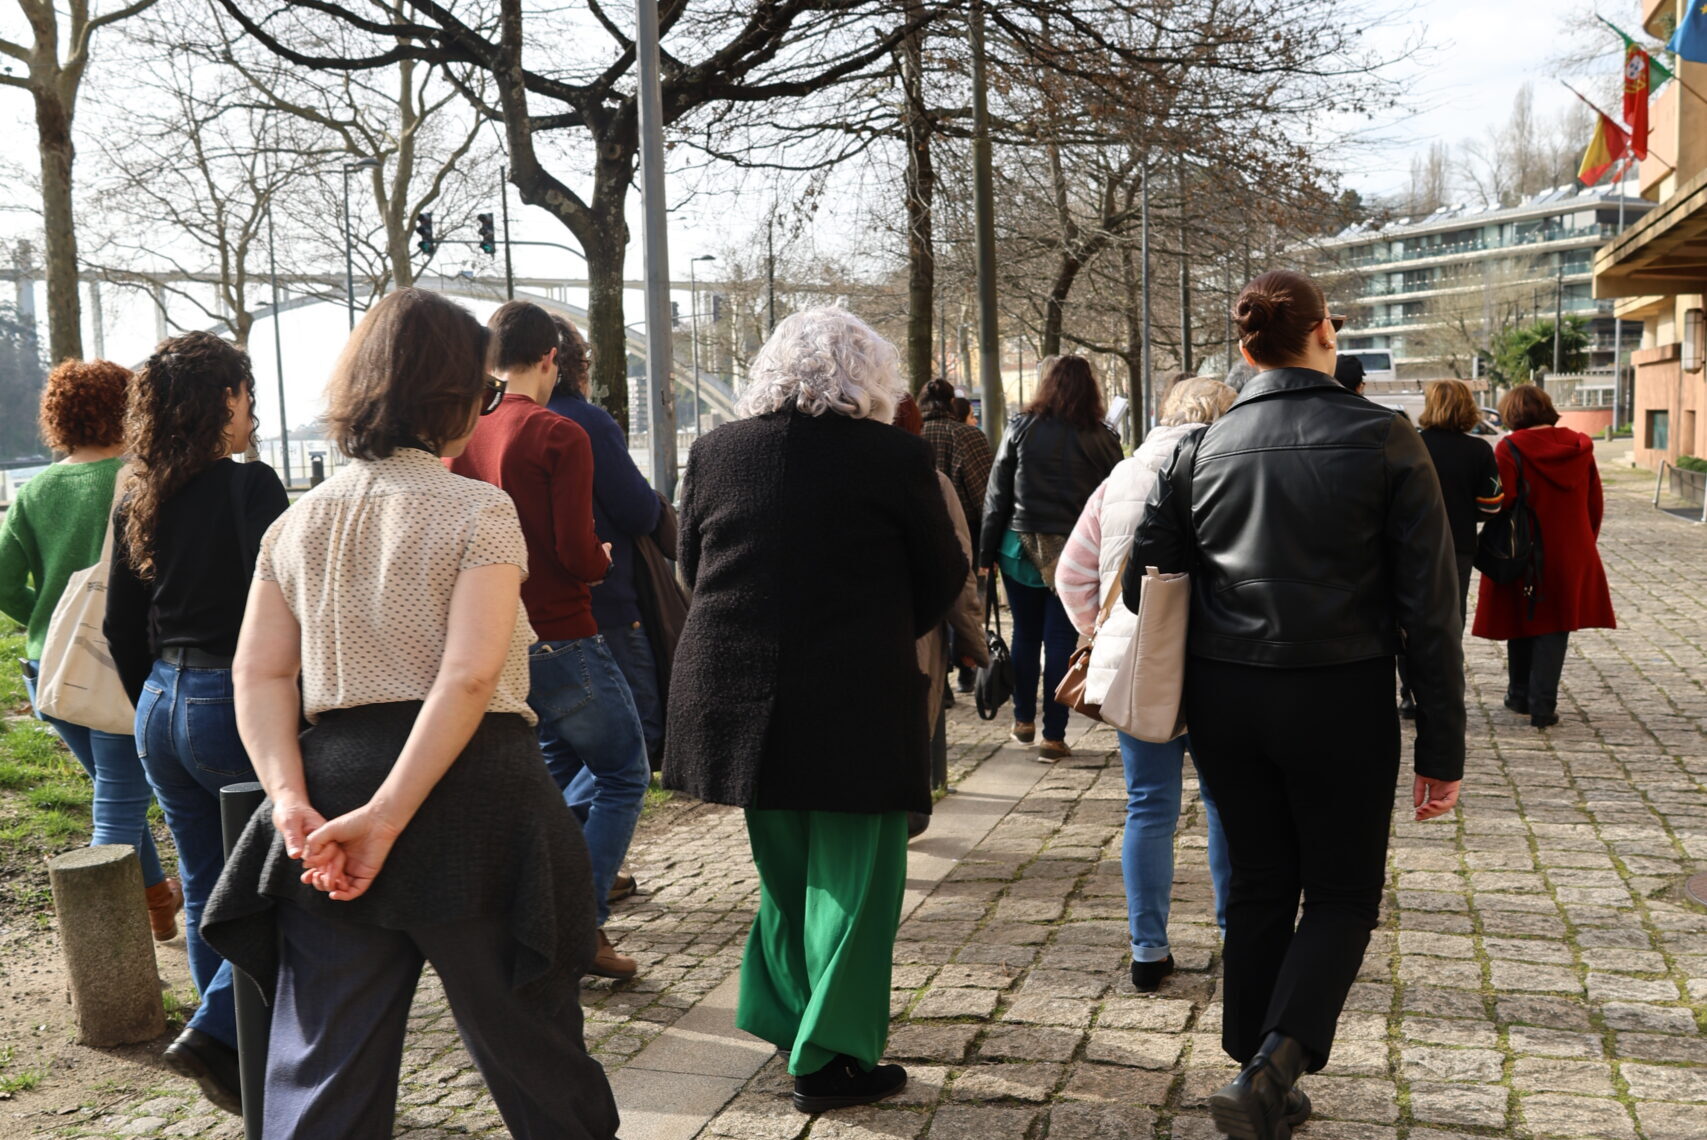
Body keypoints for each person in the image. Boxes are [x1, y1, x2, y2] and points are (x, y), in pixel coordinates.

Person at [201, 288, 619, 1140]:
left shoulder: (297, 522)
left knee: (324, 1062)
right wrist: (386, 818)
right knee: (531, 1052)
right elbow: (467, 678)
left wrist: (288, 802)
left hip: (328, 794)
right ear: (458, 395)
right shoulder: (477, 509)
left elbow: (258, 673)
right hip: (474, 798)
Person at [1130, 270, 1464, 1140]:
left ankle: (1257, 1069)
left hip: (1226, 693)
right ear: (1325, 336)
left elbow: (1141, 584)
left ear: (1245, 351)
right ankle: (1274, 1062)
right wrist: (1442, 746)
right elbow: (1430, 608)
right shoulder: (1386, 439)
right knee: (1345, 892)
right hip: (1339, 690)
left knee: (1260, 882)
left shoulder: (1197, 447)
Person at [663, 308, 965, 1114]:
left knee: (787, 875)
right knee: (859, 882)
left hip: (738, 694)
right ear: (870, 378)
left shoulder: (716, 452)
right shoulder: (894, 458)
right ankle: (829, 1059)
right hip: (852, 695)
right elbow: (942, 576)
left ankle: (787, 1013)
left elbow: (694, 564)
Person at [103, 332, 289, 1113]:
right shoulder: (253, 490)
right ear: (222, 400)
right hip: (230, 702)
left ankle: (239, 1069)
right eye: (245, 393)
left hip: (159, 708)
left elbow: (120, 625)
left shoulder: (139, 494)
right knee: (281, 882)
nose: (252, 409)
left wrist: (163, 697)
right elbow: (290, 612)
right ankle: (220, 1032)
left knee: (213, 882)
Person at [449, 300, 647, 980]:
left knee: (563, 780)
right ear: (551, 358)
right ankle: (576, 926)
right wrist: (601, 556)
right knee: (623, 772)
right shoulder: (560, 434)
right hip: (565, 629)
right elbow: (574, 551)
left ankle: (530, 910)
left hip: (502, 637)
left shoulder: (467, 438)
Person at [1057, 377, 1235, 993]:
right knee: (1226, 806)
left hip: (1140, 665)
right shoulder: (1233, 470)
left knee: (1149, 806)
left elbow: (1072, 571)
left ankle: (1148, 950)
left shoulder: (1123, 476)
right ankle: (1238, 938)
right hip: (1221, 664)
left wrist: (1103, 634)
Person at [0, 360, 181, 941]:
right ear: (129, 409)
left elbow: (2, 578)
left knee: (116, 792)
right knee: (118, 810)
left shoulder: (38, 489)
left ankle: (156, 907)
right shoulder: (142, 479)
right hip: (119, 666)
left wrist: (46, 624)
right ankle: (100, 950)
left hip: (48, 673)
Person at [978, 354, 1122, 760]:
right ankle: (1053, 736)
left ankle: (1023, 717)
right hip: (1077, 552)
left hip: (1020, 547)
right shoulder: (1103, 437)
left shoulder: (1021, 427)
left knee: (1025, 634)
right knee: (1061, 639)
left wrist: (985, 553)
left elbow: (997, 495)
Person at [544, 314, 665, 777]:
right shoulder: (585, 423)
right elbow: (638, 512)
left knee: (559, 752)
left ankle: (569, 845)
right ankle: (591, 849)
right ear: (572, 364)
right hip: (606, 607)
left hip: (532, 619)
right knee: (632, 747)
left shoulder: (488, 424)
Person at [1471, 384, 1614, 729]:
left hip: (1525, 548)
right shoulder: (1580, 447)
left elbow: (1501, 502)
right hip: (1571, 549)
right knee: (1556, 626)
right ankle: (1540, 703)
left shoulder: (1510, 447)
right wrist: (1582, 543)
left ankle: (1523, 696)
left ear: (1513, 413)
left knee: (1522, 617)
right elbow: (1594, 503)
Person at [895, 391, 988, 833]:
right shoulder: (930, 482)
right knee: (910, 730)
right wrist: (972, 642)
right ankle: (907, 813)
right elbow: (958, 570)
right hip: (913, 636)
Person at [1397, 379, 1502, 717]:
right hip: (1457, 545)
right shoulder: (1479, 450)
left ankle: (1409, 694)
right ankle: (1443, 695)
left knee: (1408, 619)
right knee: (1449, 621)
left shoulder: (1412, 444)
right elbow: (1491, 505)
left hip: (1410, 544)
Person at [918, 377, 995, 694]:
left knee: (930, 599)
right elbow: (986, 494)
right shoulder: (968, 436)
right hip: (966, 531)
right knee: (965, 598)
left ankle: (941, 681)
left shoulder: (911, 436)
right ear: (952, 404)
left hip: (920, 531)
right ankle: (966, 665)